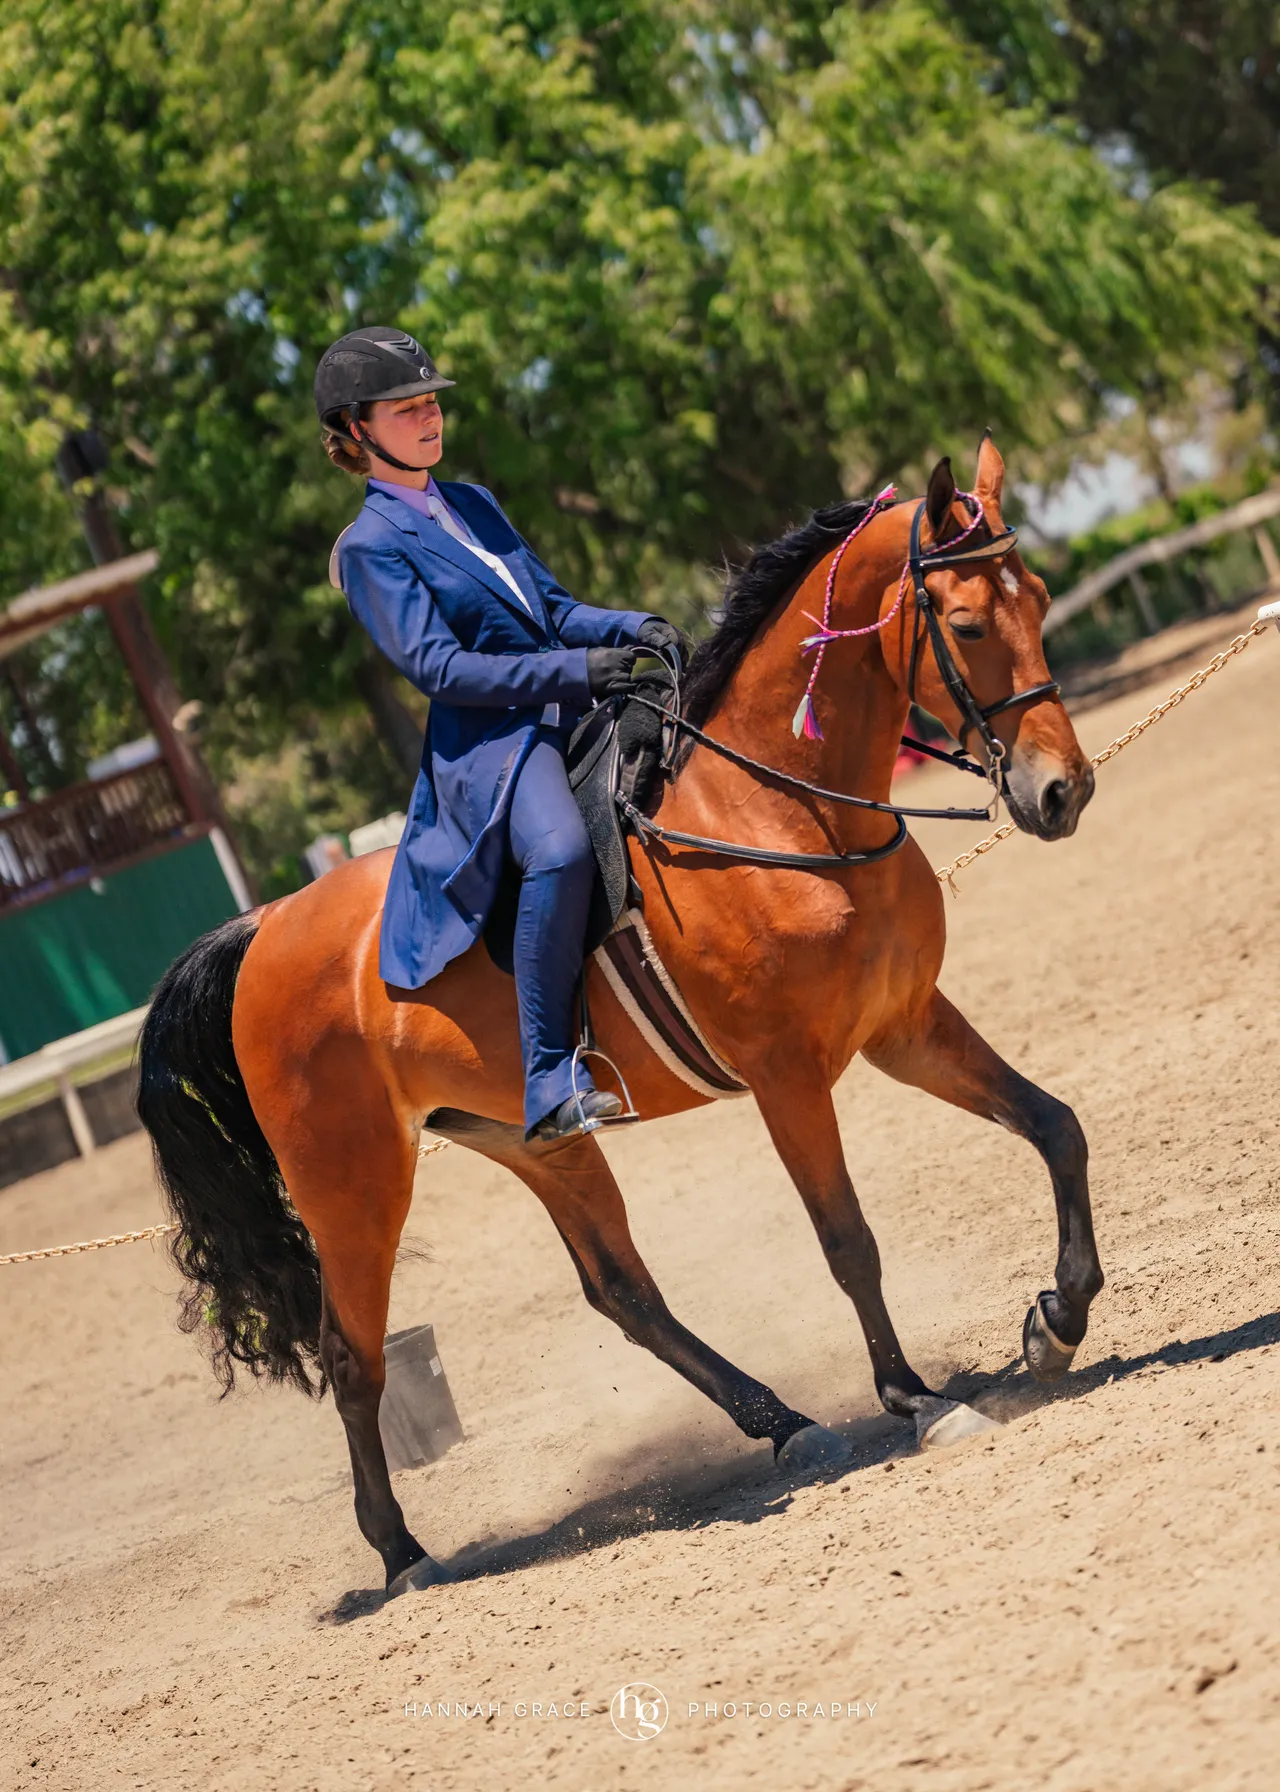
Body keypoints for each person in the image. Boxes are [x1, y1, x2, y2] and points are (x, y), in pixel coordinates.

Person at [316, 327, 683, 1141]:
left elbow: (552, 612)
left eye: (432, 402)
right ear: (356, 430)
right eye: (407, 408)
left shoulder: (474, 502)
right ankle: (550, 1082)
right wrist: (577, 671)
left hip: (564, 699)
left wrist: (636, 627)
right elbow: (443, 672)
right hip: (493, 745)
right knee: (561, 850)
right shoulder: (373, 549)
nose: (429, 416)